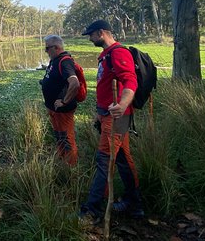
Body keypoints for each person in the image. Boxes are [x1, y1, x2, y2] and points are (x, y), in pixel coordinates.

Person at [79, 19, 144, 222]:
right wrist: (100, 112)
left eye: (91, 35)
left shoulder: (118, 52)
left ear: (100, 33)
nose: (89, 39)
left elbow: (130, 80)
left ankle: (92, 209)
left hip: (117, 117)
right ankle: (135, 204)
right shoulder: (105, 55)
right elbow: (106, 86)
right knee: (123, 159)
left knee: (104, 159)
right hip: (108, 115)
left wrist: (123, 104)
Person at [40, 35, 80, 165]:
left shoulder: (65, 61)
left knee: (67, 139)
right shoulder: (55, 60)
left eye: (47, 48)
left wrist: (64, 101)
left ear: (56, 48)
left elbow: (74, 83)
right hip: (54, 109)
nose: (45, 51)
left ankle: (71, 169)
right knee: (59, 136)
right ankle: (63, 160)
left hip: (63, 110)